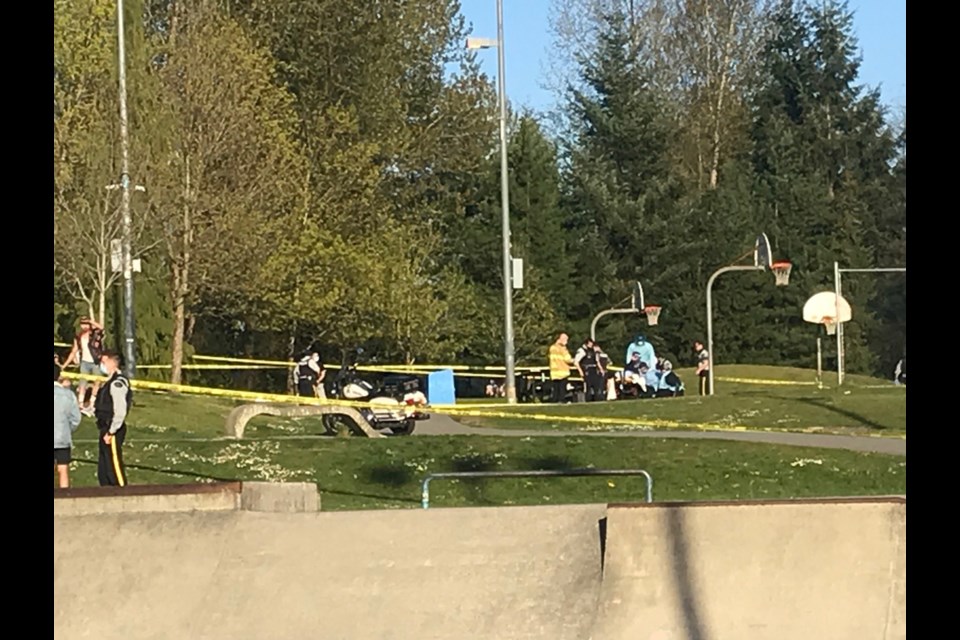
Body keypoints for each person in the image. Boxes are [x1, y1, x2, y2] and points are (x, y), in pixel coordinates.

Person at [93, 351, 131, 487]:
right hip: (105, 428)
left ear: (111, 362)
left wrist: (111, 431)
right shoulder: (109, 382)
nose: (101, 365)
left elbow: (120, 411)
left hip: (112, 429)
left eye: (103, 362)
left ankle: (122, 494)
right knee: (104, 467)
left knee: (114, 467)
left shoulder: (117, 383)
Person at [65, 317, 105, 416]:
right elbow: (74, 351)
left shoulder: (94, 334)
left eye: (86, 323)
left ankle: (92, 404)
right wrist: (64, 365)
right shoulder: (78, 336)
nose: (85, 325)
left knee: (97, 382)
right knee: (82, 382)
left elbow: (101, 328)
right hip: (84, 362)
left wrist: (91, 321)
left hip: (95, 362)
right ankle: (80, 404)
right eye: (82, 323)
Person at [54, 362, 82, 488]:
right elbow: (76, 418)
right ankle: (65, 497)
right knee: (63, 469)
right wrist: (67, 429)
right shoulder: (68, 395)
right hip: (62, 437)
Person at [548, 333, 574, 403]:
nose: (566, 341)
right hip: (563, 371)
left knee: (555, 389)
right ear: (560, 339)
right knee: (562, 389)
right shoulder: (563, 349)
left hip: (554, 372)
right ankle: (561, 401)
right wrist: (574, 360)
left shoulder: (552, 348)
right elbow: (567, 359)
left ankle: (554, 401)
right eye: (565, 339)